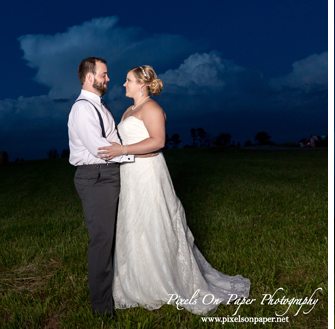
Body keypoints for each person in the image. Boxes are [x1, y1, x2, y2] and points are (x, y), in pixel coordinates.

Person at [98, 65, 251, 315]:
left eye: (128, 80)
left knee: (153, 221)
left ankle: (165, 279)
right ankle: (137, 278)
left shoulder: (151, 108)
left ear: (142, 84)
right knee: (135, 223)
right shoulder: (129, 110)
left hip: (147, 173)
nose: (123, 84)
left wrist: (122, 150)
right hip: (130, 174)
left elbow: (158, 141)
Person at [67, 57, 134, 318]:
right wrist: (135, 157)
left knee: (113, 237)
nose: (108, 79)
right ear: (89, 77)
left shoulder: (99, 105)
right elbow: (101, 149)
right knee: (102, 240)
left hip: (108, 175)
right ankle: (102, 309)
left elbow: (113, 140)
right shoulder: (83, 109)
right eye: (104, 75)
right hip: (96, 178)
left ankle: (118, 290)